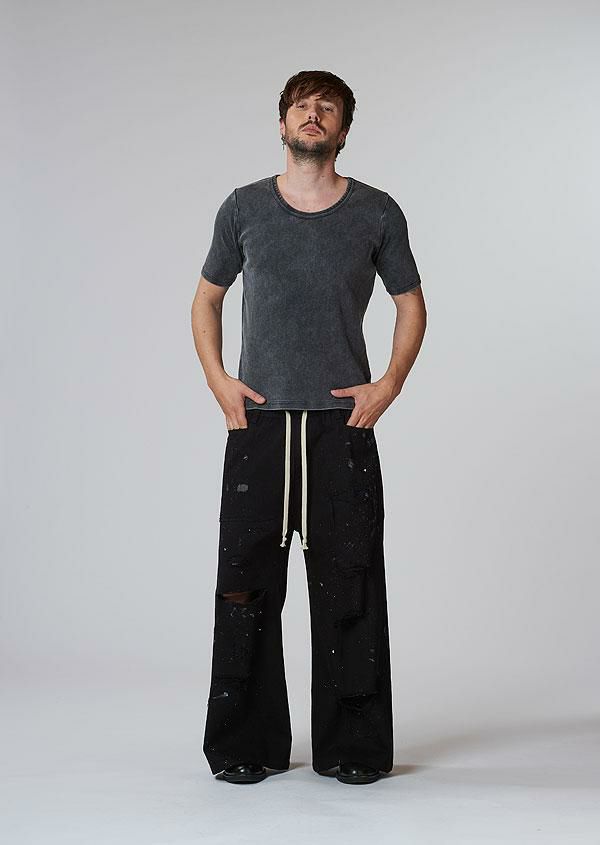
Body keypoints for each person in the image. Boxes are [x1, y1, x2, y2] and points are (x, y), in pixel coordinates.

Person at [191, 70, 427, 785]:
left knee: (349, 585)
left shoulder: (376, 212)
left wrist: (388, 384)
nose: (312, 115)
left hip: (340, 427)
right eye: (301, 106)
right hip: (259, 424)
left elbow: (411, 304)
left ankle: (353, 748)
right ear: (283, 125)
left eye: (327, 108)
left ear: (344, 131)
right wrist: (219, 379)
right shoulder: (243, 208)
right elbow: (206, 300)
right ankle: (245, 744)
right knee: (244, 584)